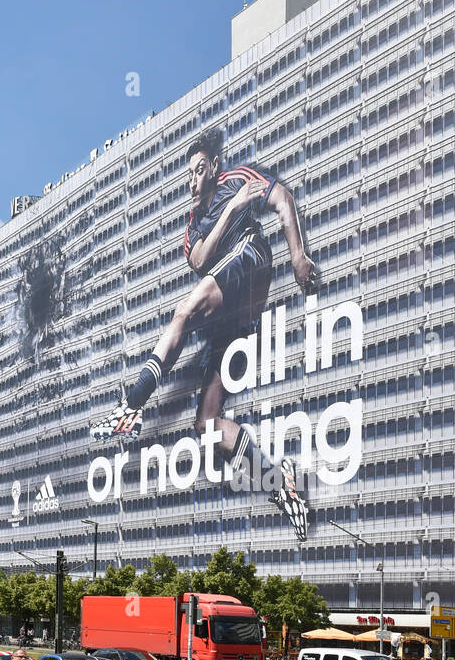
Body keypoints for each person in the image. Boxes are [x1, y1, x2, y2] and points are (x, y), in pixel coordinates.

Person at [89, 127, 316, 543]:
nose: (192, 181)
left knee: (182, 312)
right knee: (206, 424)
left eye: (198, 171)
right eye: (189, 175)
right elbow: (198, 260)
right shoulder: (195, 220)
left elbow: (282, 197)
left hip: (249, 261)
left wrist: (297, 256)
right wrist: (229, 212)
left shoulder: (236, 179)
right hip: (235, 316)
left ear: (213, 167)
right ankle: (276, 478)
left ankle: (132, 404)